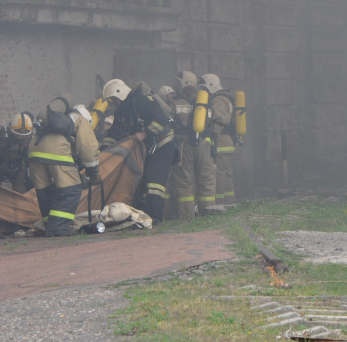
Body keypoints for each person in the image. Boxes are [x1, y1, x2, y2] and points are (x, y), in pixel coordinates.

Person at [100, 78, 178, 224]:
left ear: (120, 94)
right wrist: (104, 151)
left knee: (154, 180)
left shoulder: (142, 101)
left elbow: (160, 120)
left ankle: (155, 217)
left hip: (163, 143)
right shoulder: (121, 111)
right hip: (147, 146)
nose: (113, 102)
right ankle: (142, 214)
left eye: (114, 99)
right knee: (143, 178)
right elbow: (113, 134)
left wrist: (145, 133)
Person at [28, 98, 100, 236]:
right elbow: (88, 147)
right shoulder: (81, 119)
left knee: (45, 191)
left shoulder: (56, 120)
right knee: (71, 189)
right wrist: (93, 172)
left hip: (34, 150)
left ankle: (49, 225)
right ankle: (57, 228)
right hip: (55, 152)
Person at [168, 72, 218, 219]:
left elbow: (168, 122)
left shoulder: (176, 104)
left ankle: (187, 219)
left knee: (184, 183)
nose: (176, 86)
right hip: (205, 146)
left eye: (178, 83)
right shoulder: (206, 103)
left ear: (185, 84)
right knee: (207, 182)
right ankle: (208, 217)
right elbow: (215, 122)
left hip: (185, 146)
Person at [200, 73, 237, 207]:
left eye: (204, 88)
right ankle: (230, 200)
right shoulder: (226, 98)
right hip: (228, 141)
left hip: (221, 142)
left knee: (220, 173)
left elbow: (223, 119)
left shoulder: (217, 100)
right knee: (227, 172)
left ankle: (220, 201)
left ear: (210, 85)